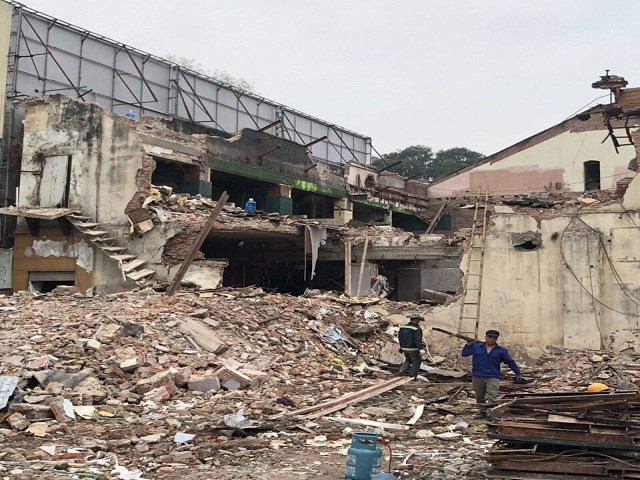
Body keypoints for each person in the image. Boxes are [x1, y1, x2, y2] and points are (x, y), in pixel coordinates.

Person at [461, 329, 522, 418]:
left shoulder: (501, 350)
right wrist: (468, 344)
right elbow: (464, 354)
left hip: (492, 376)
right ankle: (482, 412)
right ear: (485, 337)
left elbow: (510, 362)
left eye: (494, 338)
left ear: (497, 339)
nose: (492, 339)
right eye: (490, 337)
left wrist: (517, 373)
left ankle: (491, 413)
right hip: (478, 375)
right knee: (479, 396)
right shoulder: (477, 347)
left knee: (492, 395)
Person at [397, 314, 426, 378]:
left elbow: (400, 337)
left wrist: (401, 347)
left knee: (408, 360)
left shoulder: (403, 327)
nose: (419, 321)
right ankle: (413, 377)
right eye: (419, 320)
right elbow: (418, 340)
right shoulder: (417, 329)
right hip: (413, 348)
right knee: (416, 362)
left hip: (404, 348)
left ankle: (401, 371)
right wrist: (421, 349)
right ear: (416, 320)